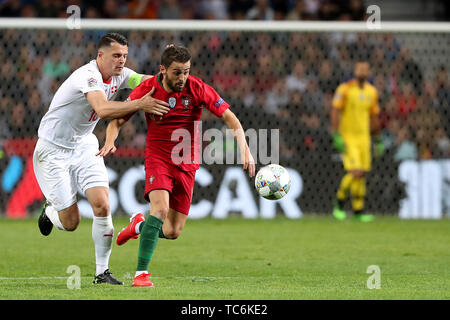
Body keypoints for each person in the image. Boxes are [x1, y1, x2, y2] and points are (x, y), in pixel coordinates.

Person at [98, 45, 256, 287]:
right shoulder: (148, 88)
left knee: (172, 231)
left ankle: (139, 225)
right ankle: (141, 274)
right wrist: (110, 140)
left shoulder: (197, 87)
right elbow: (117, 120)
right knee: (159, 210)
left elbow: (229, 117)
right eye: (177, 73)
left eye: (186, 72)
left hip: (187, 163)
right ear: (163, 70)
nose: (182, 78)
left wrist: (245, 149)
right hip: (158, 158)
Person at [33, 32, 171, 285]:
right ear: (100, 55)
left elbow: (151, 81)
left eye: (125, 56)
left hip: (85, 145)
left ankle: (101, 273)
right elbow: (103, 109)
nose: (121, 61)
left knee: (102, 205)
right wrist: (140, 103)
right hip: (54, 150)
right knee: (71, 222)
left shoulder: (123, 74)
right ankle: (50, 212)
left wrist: (169, 69)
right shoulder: (88, 76)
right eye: (116, 55)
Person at [330, 61, 384, 222]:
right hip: (348, 137)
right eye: (359, 68)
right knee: (355, 171)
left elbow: (374, 117)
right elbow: (335, 110)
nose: (362, 71)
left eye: (365, 69)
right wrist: (336, 135)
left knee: (362, 174)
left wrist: (377, 139)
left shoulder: (372, 92)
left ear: (369, 72)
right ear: (354, 71)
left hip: (364, 138)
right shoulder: (345, 89)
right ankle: (338, 204)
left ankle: (358, 210)